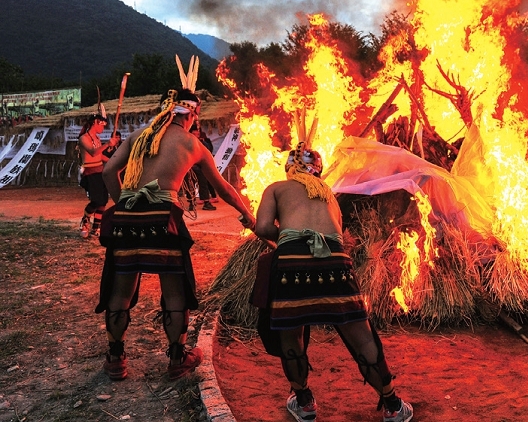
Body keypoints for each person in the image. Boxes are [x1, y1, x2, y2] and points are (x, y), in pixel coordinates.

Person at [96, 86, 256, 382]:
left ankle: (116, 358)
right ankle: (177, 358)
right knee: (174, 292)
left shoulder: (137, 136)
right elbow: (223, 188)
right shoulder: (191, 143)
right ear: (193, 114)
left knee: (121, 291)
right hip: (164, 220)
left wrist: (127, 205)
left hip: (127, 220)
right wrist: (247, 214)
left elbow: (108, 174)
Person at [254, 141, 413, 422]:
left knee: (291, 333)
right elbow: (336, 233)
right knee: (361, 335)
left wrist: (289, 235)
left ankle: (304, 403)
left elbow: (263, 228)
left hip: (292, 264)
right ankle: (392, 404)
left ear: (290, 169)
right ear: (318, 171)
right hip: (335, 263)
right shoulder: (328, 194)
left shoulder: (276, 188)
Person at [78, 111, 121, 237]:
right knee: (97, 199)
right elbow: (93, 152)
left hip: (100, 170)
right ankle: (85, 220)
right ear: (96, 123)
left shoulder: (96, 138)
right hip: (90, 172)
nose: (103, 128)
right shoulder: (84, 138)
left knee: (103, 201)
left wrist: (115, 161)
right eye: (102, 125)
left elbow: (100, 155)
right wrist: (108, 144)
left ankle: (96, 227)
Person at [188, 123, 216, 210]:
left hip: (200, 167)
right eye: (194, 134)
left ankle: (206, 202)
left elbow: (208, 150)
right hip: (190, 167)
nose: (196, 135)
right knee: (190, 185)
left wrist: (203, 141)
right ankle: (191, 203)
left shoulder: (201, 142)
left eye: (198, 134)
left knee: (203, 184)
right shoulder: (186, 142)